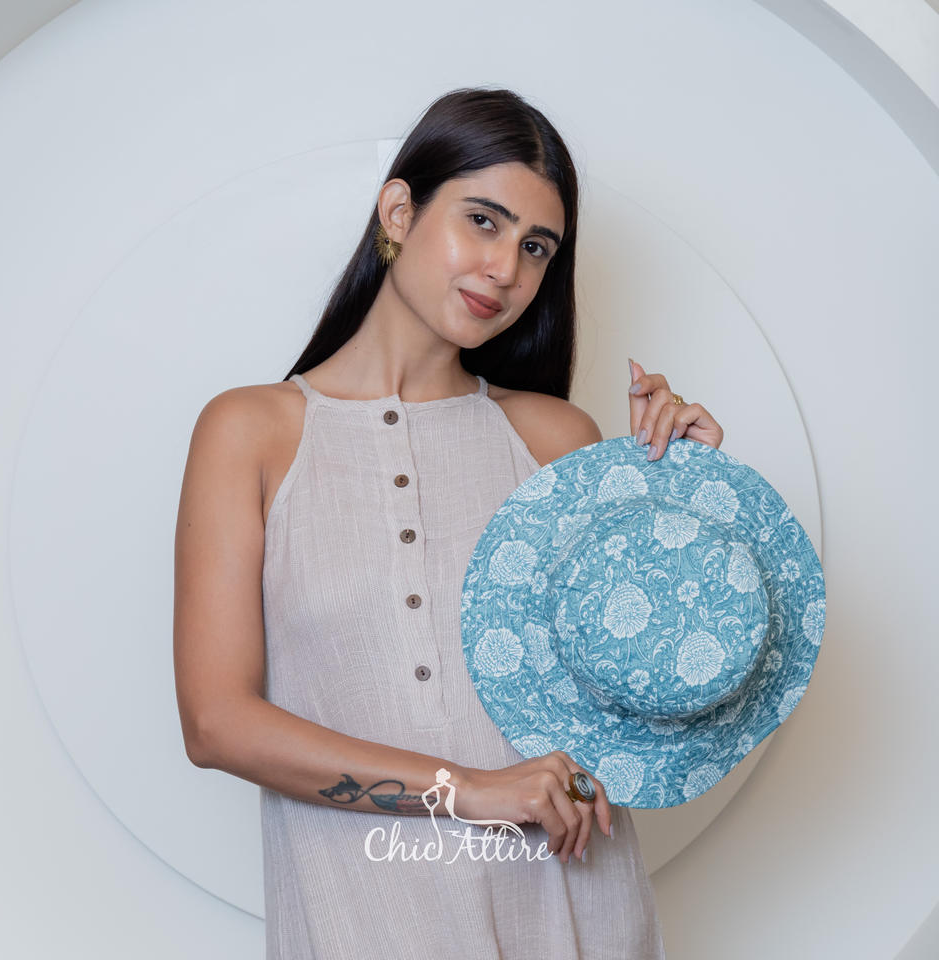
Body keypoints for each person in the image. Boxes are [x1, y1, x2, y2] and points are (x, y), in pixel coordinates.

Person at [174, 86, 723, 960]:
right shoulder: (250, 433)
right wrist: (468, 788)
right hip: (365, 923)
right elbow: (215, 723)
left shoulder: (555, 439)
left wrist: (689, 510)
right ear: (399, 211)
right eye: (483, 221)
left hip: (571, 913)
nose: (506, 269)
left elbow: (657, 698)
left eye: (535, 247)